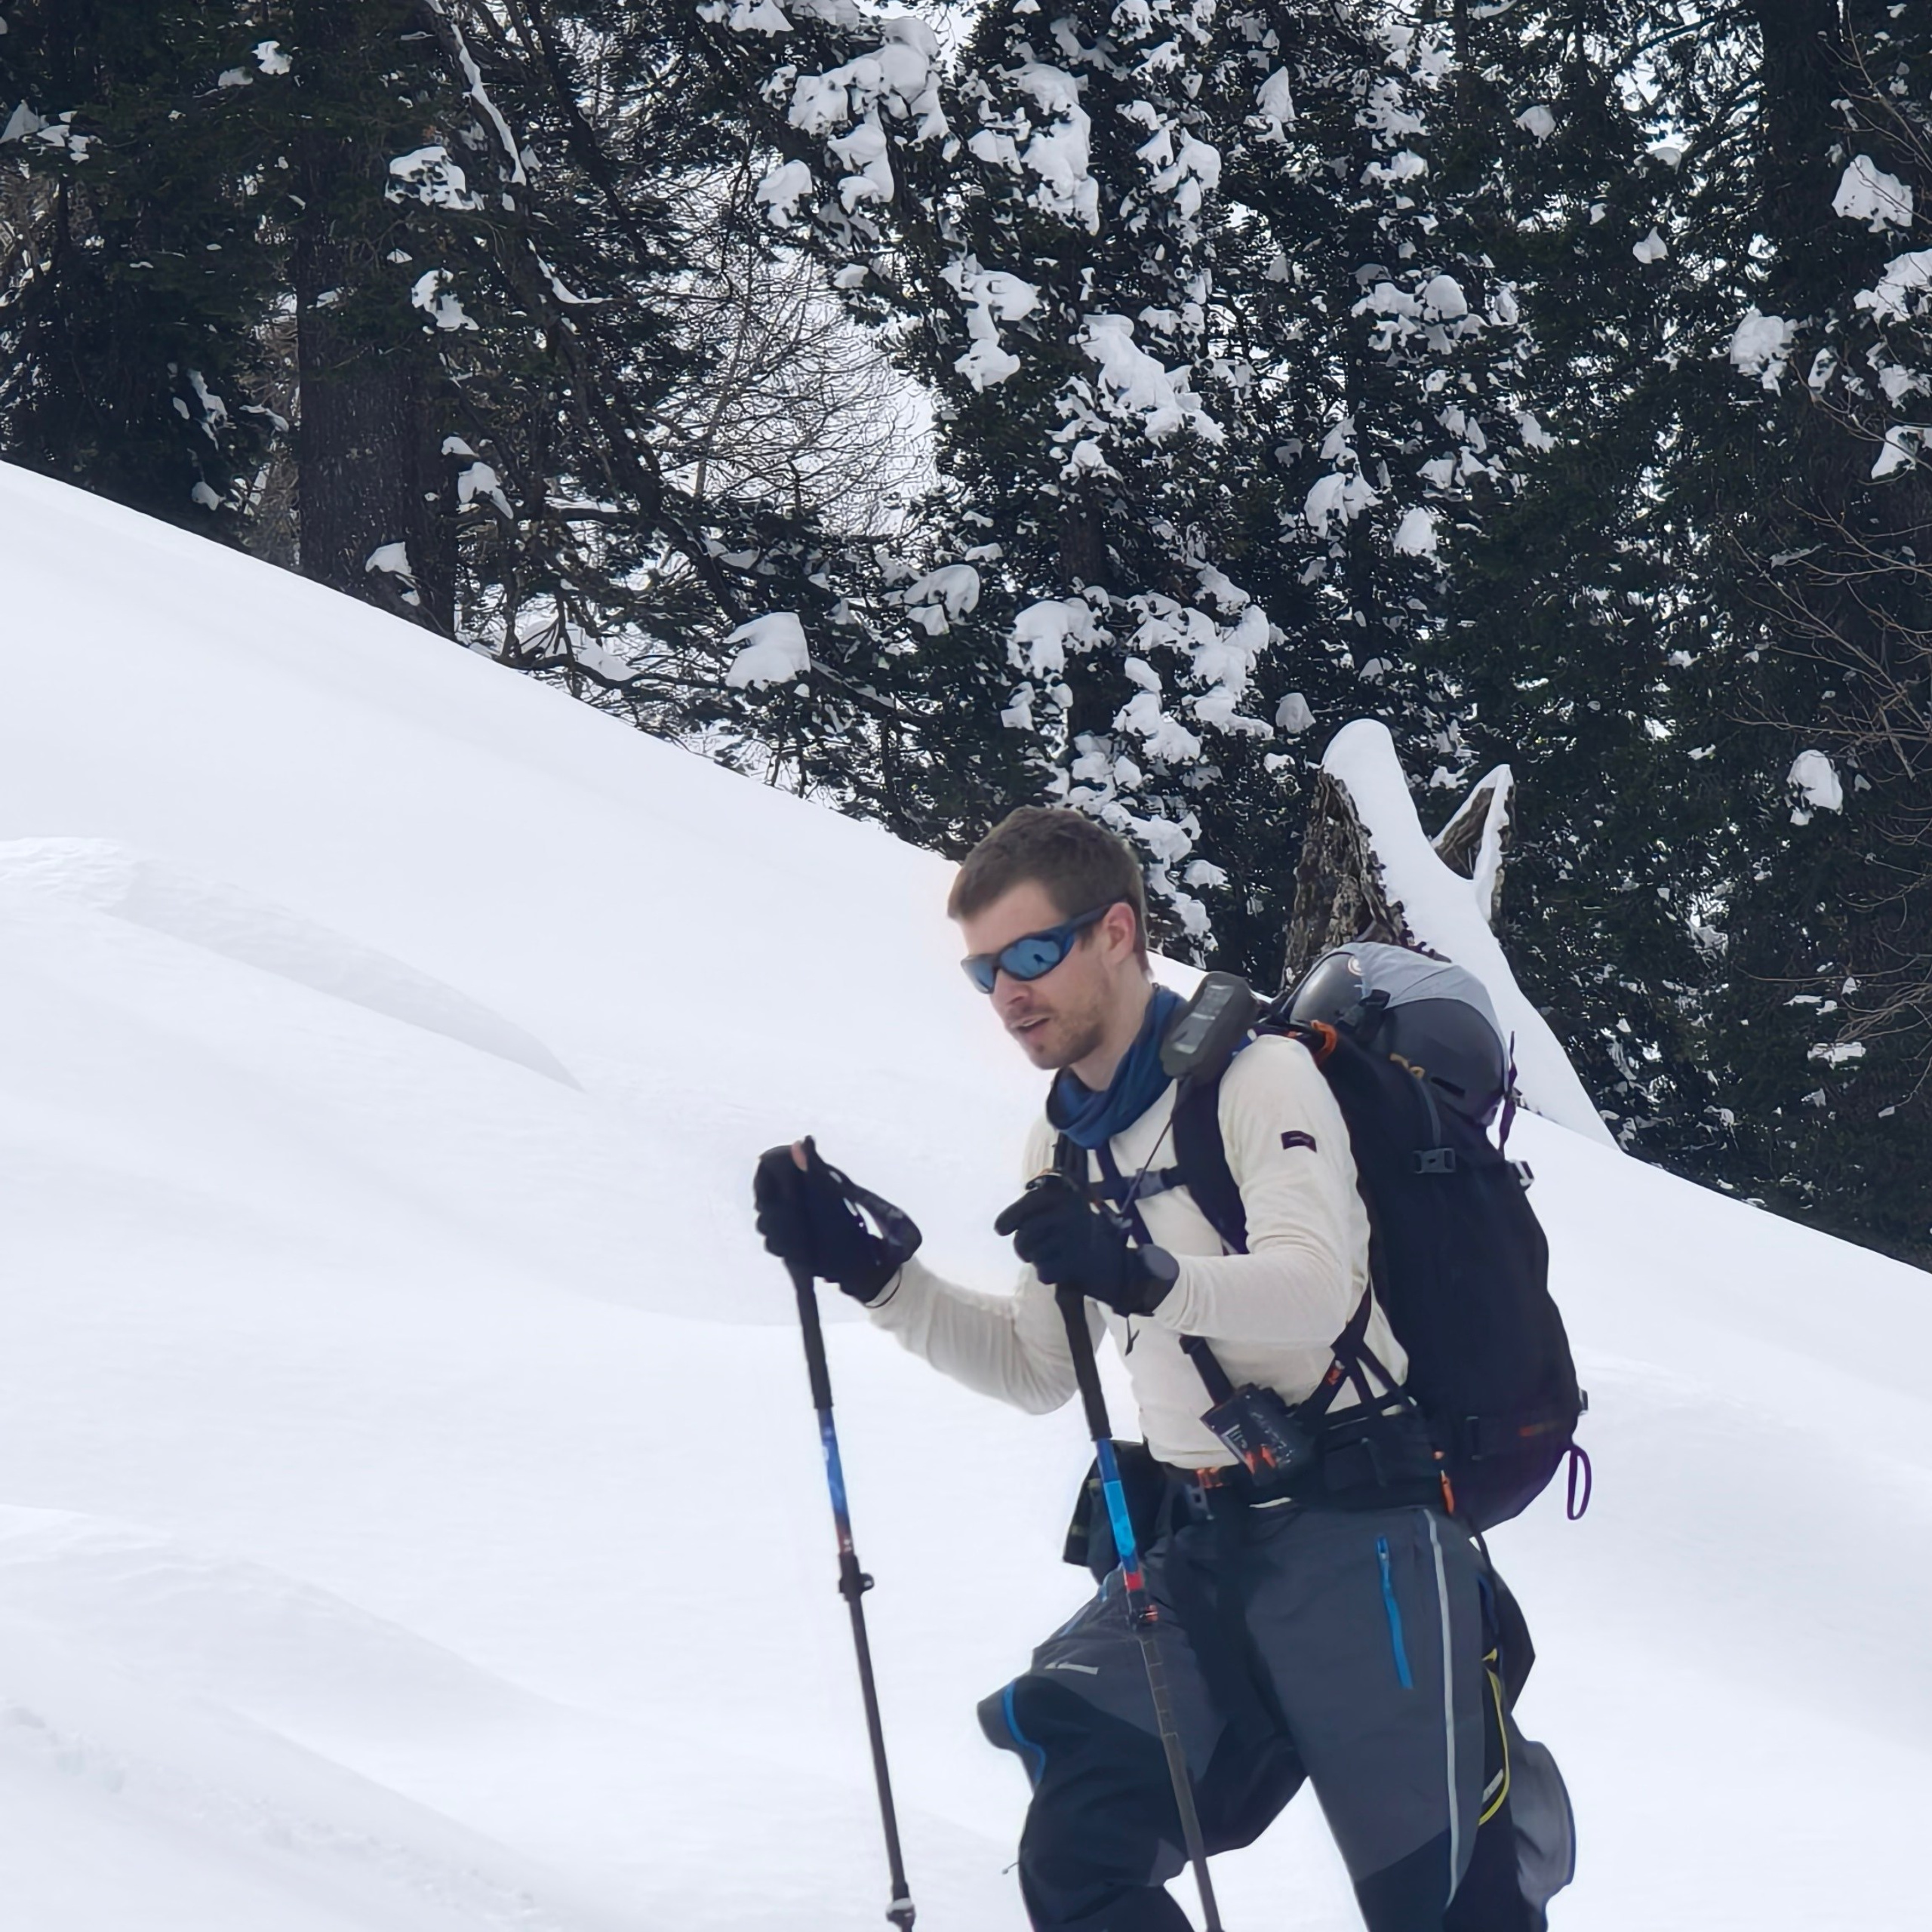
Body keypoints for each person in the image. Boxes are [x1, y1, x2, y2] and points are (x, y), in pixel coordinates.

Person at [755, 806, 1562, 1932]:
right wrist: (874, 1277)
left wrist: (1139, 1275)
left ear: (1119, 934)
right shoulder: (1063, 1140)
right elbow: (1041, 1368)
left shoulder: (1259, 1079)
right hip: (1197, 1543)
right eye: (985, 969)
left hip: (1361, 1529)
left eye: (1033, 954)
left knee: (1441, 1908)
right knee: (1083, 1852)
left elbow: (1313, 1291)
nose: (1009, 992)